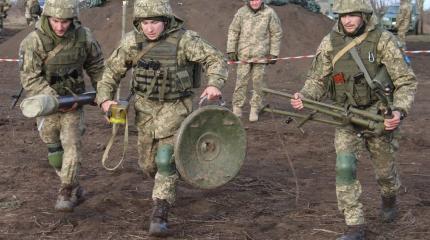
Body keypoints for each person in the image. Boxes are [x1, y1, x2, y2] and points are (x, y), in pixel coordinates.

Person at [95, 0, 227, 237]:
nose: (150, 28)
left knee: (165, 160)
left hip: (177, 109)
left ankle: (160, 212)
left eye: (154, 22)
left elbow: (215, 59)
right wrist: (105, 100)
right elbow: (111, 72)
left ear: (165, 21)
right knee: (148, 165)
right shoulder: (131, 42)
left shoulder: (185, 40)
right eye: (145, 23)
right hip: (144, 112)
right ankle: (173, 174)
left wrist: (214, 83)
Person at [290, 0, 417, 239]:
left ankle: (389, 198)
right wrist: (304, 96)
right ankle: (355, 225)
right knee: (344, 167)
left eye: (352, 15)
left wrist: (398, 111)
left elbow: (405, 81)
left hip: (379, 116)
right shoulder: (330, 42)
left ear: (364, 15)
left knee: (385, 174)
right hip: (346, 116)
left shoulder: (383, 41)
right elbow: (317, 79)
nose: (347, 20)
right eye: (342, 15)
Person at [19, 0, 104, 212]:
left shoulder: (84, 36)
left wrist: (104, 96)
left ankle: (66, 191)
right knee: (54, 149)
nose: (60, 27)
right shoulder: (34, 41)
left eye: (65, 22)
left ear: (73, 19)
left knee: (72, 145)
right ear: (47, 18)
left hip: (74, 102)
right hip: (47, 104)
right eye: (56, 21)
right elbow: (30, 78)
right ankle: (76, 187)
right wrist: (54, 99)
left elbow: (97, 67)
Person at [226, 0, 282, 122]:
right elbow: (233, 31)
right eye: (252, 0)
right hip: (244, 55)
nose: (255, 2)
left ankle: (255, 108)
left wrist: (274, 53)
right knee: (241, 82)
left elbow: (276, 33)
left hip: (261, 56)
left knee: (258, 83)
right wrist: (231, 50)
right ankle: (237, 109)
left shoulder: (269, 13)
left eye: (257, 0)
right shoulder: (241, 12)